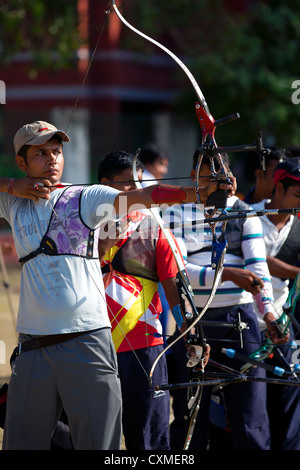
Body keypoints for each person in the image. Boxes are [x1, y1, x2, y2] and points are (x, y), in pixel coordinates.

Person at [0, 121, 229, 450]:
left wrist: (201, 192)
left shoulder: (85, 197)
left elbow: (141, 196)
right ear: (22, 163)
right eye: (40, 153)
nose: (52, 159)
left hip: (86, 341)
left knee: (99, 444)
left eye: (56, 151)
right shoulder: (12, 203)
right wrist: (11, 185)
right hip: (33, 344)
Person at [165, 151, 285, 450]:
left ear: (230, 175)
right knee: (190, 415)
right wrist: (229, 274)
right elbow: (178, 271)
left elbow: (257, 269)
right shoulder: (175, 213)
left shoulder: (243, 212)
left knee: (251, 416)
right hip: (194, 323)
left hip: (240, 322)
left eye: (222, 173)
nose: (216, 180)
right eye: (208, 173)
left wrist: (269, 315)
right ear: (195, 174)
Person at [97, 150, 210, 450]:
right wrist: (101, 246)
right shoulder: (83, 224)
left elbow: (172, 282)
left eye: (139, 184)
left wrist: (188, 327)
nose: (135, 192)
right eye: (126, 185)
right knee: (91, 435)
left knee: (147, 437)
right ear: (103, 186)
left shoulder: (152, 225)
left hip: (144, 346)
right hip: (91, 344)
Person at [250, 156, 300, 450]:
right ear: (278, 189)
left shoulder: (297, 225)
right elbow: (257, 263)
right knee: (252, 400)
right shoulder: (246, 218)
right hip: (246, 322)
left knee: (292, 387)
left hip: (282, 323)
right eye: (297, 195)